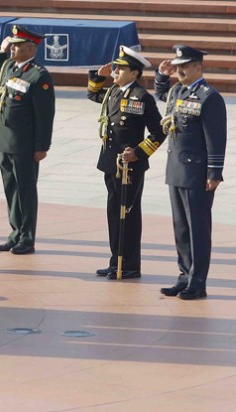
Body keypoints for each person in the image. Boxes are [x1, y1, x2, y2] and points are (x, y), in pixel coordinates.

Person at [154, 45, 227, 300]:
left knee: (197, 229)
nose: (179, 70)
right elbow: (162, 95)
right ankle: (184, 276)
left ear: (198, 66)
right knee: (181, 228)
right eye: (177, 66)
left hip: (197, 173)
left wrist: (214, 172)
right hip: (176, 170)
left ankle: (198, 282)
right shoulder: (178, 91)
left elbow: (216, 138)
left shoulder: (210, 97)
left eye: (184, 66)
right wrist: (161, 76)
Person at [87, 46, 166, 280]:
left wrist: (139, 154)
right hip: (112, 163)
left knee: (128, 216)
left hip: (130, 167)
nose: (115, 72)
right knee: (114, 214)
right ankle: (116, 260)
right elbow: (94, 95)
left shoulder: (141, 98)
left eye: (120, 69)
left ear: (134, 73)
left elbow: (159, 132)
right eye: (115, 68)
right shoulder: (113, 91)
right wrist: (97, 77)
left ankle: (129, 265)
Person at [0, 25, 55, 255]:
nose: (13, 49)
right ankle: (15, 233)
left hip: (25, 143)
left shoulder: (39, 75)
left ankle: (27, 238)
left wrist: (42, 146)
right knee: (11, 188)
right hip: (5, 139)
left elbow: (45, 115)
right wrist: (1, 50)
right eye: (13, 45)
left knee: (25, 190)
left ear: (31, 48)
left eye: (17, 46)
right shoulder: (9, 66)